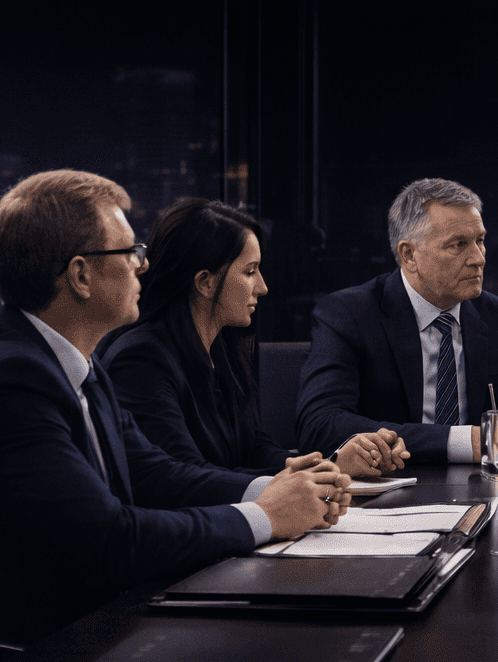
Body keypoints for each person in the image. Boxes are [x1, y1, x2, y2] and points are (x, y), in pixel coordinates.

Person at [0, 170, 351, 652]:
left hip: (79, 624)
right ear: (80, 275)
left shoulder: (62, 359)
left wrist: (279, 492)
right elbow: (108, 544)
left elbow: (154, 474)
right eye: (129, 253)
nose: (142, 266)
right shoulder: (5, 383)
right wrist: (264, 517)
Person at [100, 197, 409, 479]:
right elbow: (181, 477)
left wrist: (331, 464)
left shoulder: (224, 346)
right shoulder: (141, 359)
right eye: (250, 271)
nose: (262, 287)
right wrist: (291, 488)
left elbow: (255, 447)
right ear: (205, 282)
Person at [296, 177, 498, 463]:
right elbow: (320, 424)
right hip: (390, 489)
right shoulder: (350, 313)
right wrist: (461, 441)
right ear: (409, 255)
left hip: (481, 486)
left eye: (480, 241)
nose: (479, 258)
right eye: (458, 245)